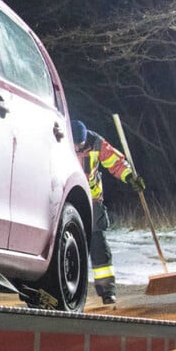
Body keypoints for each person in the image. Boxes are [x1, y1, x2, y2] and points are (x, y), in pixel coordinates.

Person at [71, 120, 146, 305]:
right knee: (69, 247)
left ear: (85, 137)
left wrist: (130, 177)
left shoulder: (97, 143)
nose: (78, 147)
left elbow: (115, 162)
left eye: (80, 144)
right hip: (68, 201)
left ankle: (107, 291)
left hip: (93, 201)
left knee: (99, 248)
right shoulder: (61, 141)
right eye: (75, 144)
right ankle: (70, 292)